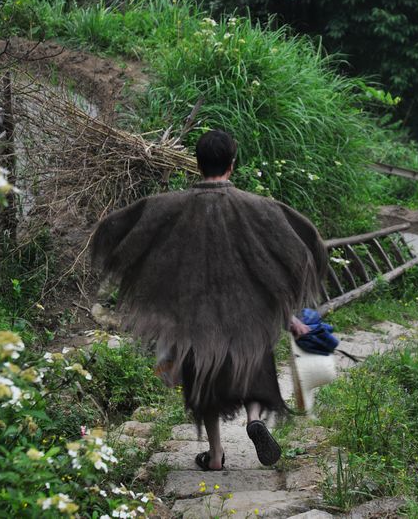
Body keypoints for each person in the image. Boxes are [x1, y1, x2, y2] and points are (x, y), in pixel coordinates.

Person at [90, 130, 326, 470]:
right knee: (255, 359)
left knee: (203, 377)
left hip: (196, 317)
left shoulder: (170, 206)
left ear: (197, 164)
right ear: (232, 165)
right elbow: (300, 242)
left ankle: (215, 456)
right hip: (244, 314)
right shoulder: (258, 208)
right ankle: (254, 419)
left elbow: (121, 228)